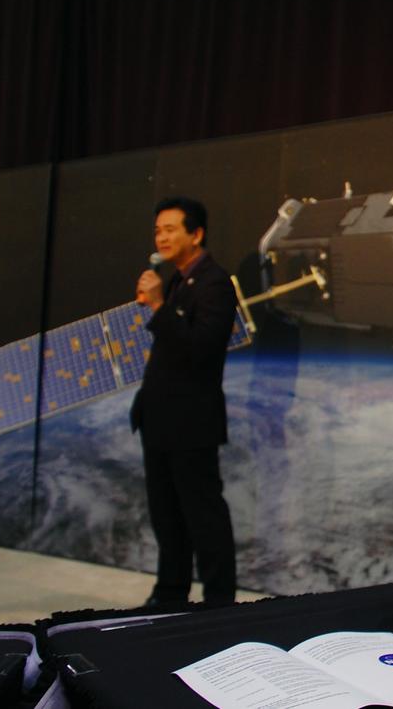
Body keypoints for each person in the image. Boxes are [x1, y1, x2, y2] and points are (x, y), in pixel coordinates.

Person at [130, 197, 238, 606]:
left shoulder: (214, 283)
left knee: (203, 515)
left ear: (196, 234)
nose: (162, 237)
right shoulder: (176, 280)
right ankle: (170, 592)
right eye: (158, 230)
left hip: (192, 423)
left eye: (171, 229)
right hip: (160, 421)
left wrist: (158, 306)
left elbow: (202, 348)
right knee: (167, 517)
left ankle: (218, 600)